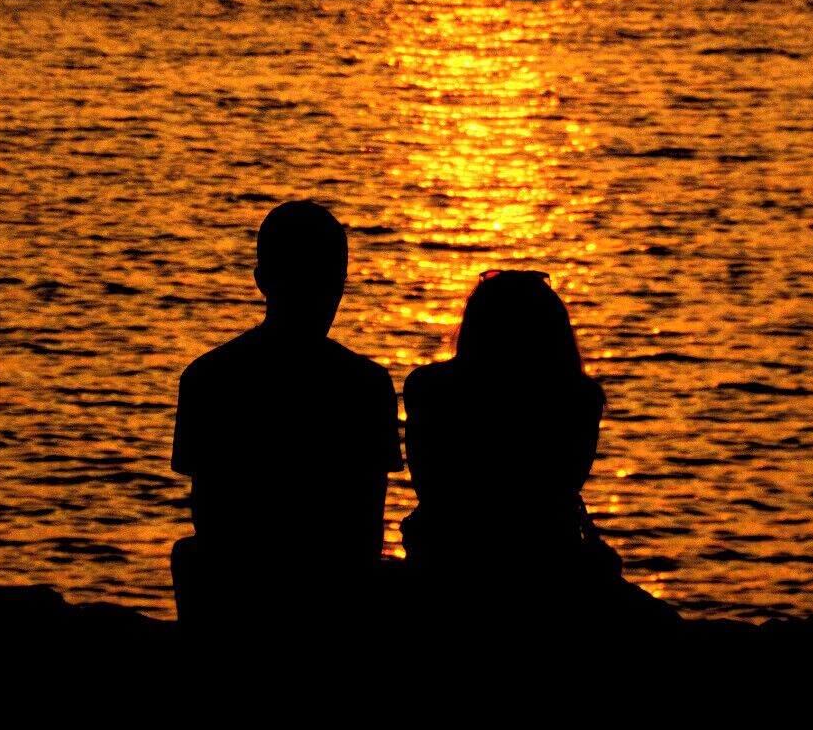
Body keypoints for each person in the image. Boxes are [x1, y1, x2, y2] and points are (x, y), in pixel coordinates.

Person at [170, 200, 401, 629]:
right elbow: (365, 527)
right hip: (331, 600)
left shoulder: (207, 378)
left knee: (189, 553)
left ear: (262, 280)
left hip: (235, 598)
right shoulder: (366, 384)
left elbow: (210, 516)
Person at [403, 270, 659, 628]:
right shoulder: (580, 399)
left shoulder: (428, 388)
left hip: (443, 557)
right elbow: (563, 488)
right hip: (550, 561)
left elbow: (429, 484)